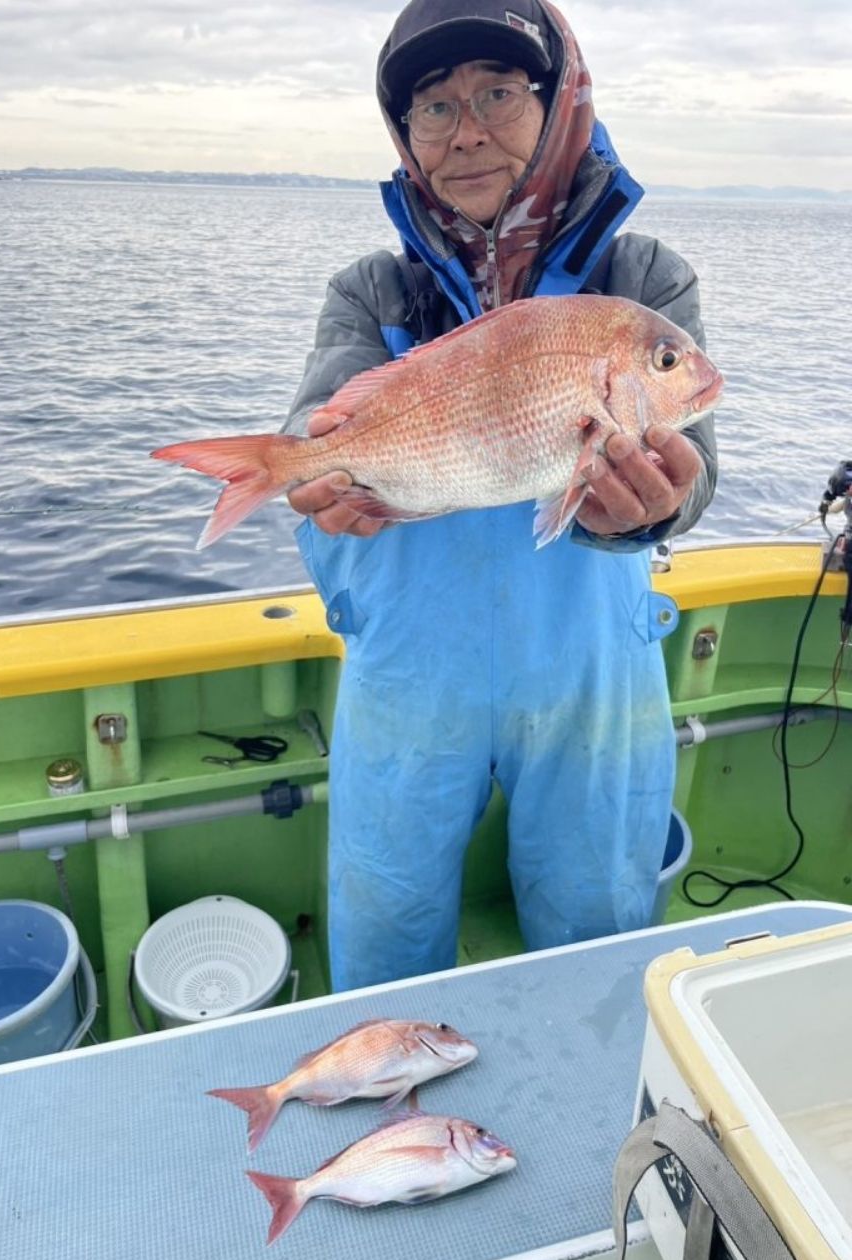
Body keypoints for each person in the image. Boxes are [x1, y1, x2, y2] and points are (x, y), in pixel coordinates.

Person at [282, 0, 718, 992]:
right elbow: (320, 422)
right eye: (435, 106)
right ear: (405, 133)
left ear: (557, 104)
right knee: (387, 923)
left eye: (498, 94)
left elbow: (697, 464)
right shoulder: (371, 292)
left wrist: (655, 507)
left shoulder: (641, 278)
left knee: (597, 926)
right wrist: (317, 478)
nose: (466, 131)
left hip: (590, 675)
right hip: (410, 675)